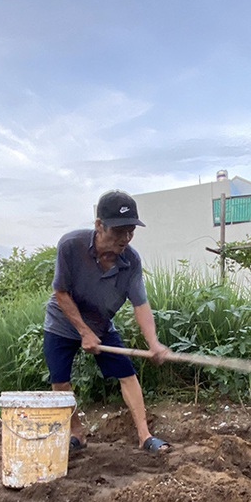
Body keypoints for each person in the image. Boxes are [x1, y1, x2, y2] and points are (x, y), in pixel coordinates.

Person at [43, 189, 172, 453]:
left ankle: (144, 435)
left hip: (101, 324)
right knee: (60, 380)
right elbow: (61, 292)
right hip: (62, 321)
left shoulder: (131, 261)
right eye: (119, 231)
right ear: (99, 225)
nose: (126, 238)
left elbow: (140, 304)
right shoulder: (71, 245)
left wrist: (154, 343)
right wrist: (83, 332)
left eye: (131, 231)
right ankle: (77, 433)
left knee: (127, 373)